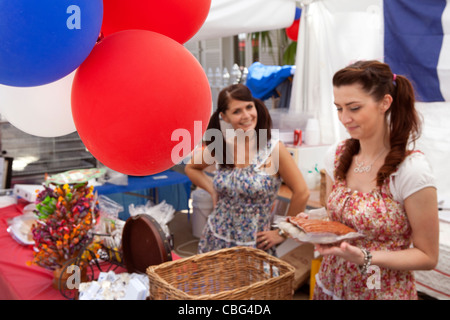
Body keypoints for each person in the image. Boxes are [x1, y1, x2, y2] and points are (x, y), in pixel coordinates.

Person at [310, 60, 439, 300]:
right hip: (331, 285)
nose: (344, 118)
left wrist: (366, 257)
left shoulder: (411, 170)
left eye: (354, 107)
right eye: (339, 108)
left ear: (385, 103)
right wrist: (313, 222)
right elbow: (335, 217)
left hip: (381, 291)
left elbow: (428, 256)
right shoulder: (337, 156)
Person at [185, 83, 309, 255]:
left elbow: (302, 192)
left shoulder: (273, 149)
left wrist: (284, 231)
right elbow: (191, 167)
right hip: (215, 239)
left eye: (249, 107)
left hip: (254, 245)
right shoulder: (222, 146)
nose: (246, 115)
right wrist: (212, 190)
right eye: (237, 111)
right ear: (225, 116)